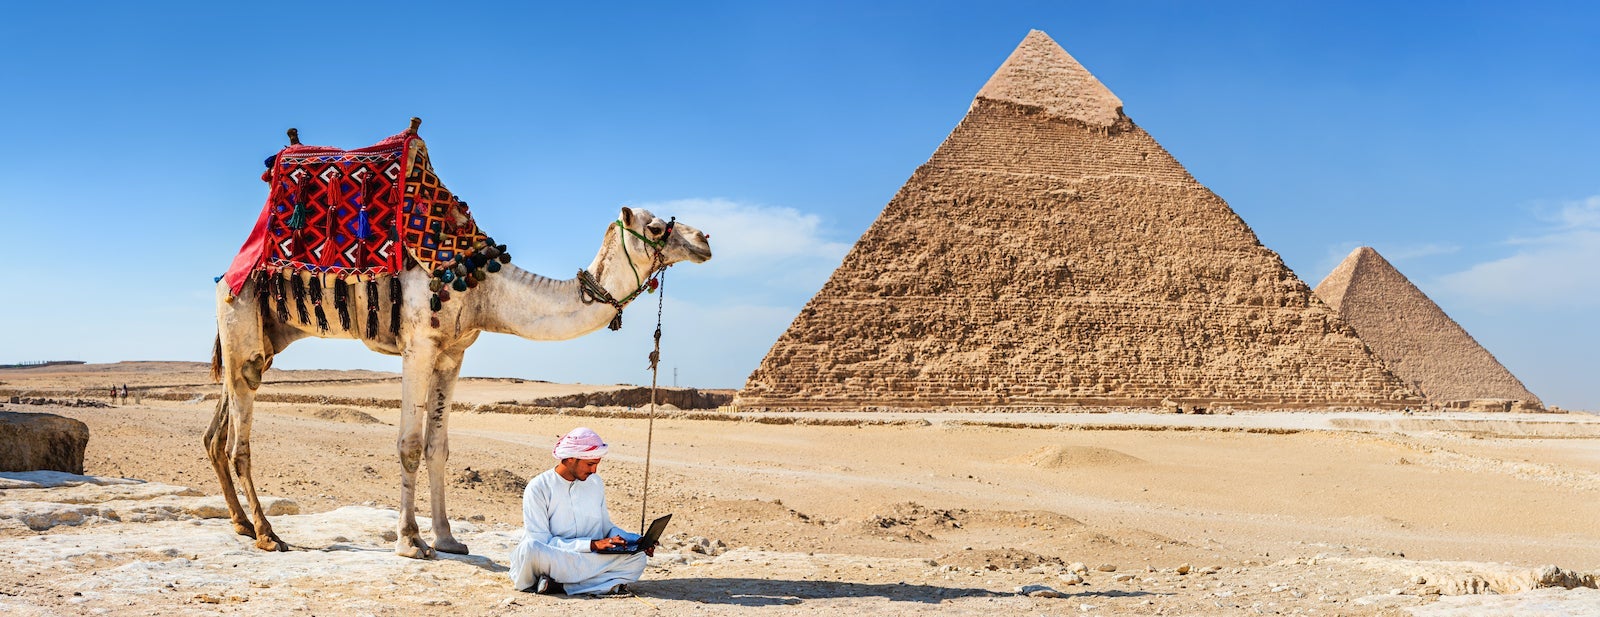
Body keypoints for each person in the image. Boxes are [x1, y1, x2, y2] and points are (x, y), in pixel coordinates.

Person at [509, 427, 650, 596]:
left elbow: (606, 527)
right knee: (529, 548)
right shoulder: (539, 487)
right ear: (569, 459)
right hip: (557, 559)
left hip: (590, 559)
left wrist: (635, 541)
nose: (594, 471)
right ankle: (595, 584)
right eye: (590, 464)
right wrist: (590, 545)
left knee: (638, 558)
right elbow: (540, 539)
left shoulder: (595, 483)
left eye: (596, 464)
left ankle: (560, 587)